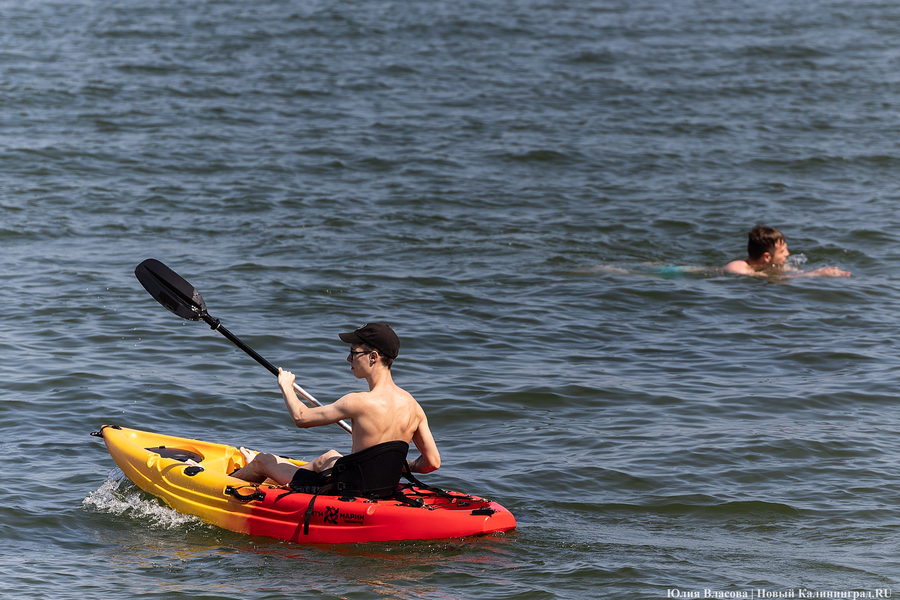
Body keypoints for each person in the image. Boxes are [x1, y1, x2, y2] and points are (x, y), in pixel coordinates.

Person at [230, 322, 441, 495]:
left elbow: (301, 418)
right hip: (382, 488)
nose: (348, 358)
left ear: (373, 357)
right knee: (330, 456)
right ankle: (275, 475)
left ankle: (234, 478)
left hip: (347, 492)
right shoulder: (414, 406)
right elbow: (432, 463)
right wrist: (396, 466)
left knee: (262, 460)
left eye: (353, 352)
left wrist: (286, 387)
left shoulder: (358, 402)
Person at [724, 224, 851, 278]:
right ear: (766, 257)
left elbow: (797, 274)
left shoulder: (777, 267)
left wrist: (825, 272)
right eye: (782, 251)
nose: (788, 254)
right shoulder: (737, 267)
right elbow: (756, 276)